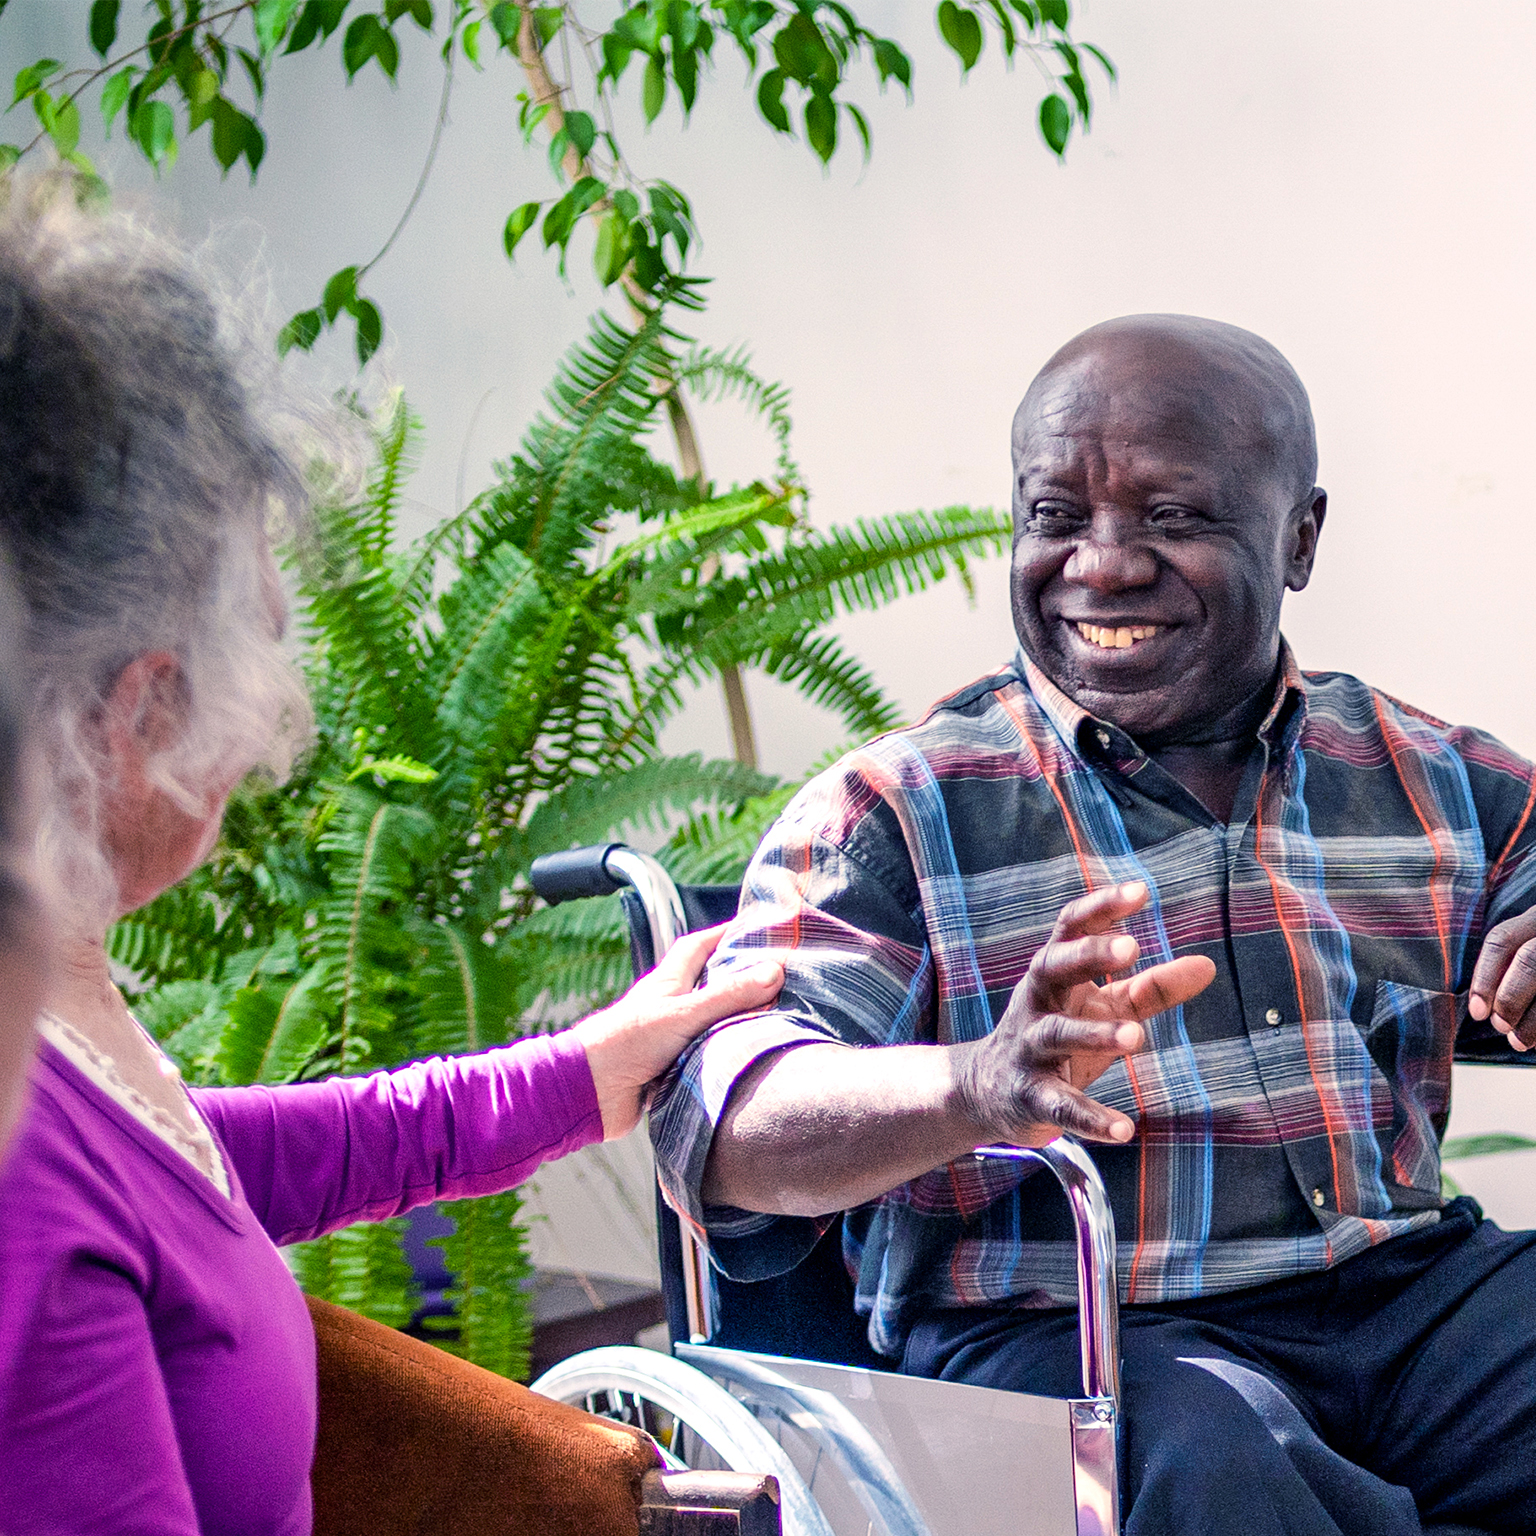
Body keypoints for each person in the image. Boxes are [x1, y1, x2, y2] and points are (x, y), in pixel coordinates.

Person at [653, 313, 1536, 1535]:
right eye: (1056, 517)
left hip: (1404, 1297)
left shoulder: (1424, 773)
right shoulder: (896, 811)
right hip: (1067, 1336)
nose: (1105, 565)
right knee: (1222, 1477)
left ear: (1300, 538)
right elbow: (722, 1124)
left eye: (1172, 518)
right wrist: (972, 1086)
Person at [0, 183, 782, 1535]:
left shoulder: (55, 1020)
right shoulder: (19, 1179)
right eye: (261, 637)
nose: (270, 739)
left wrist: (576, 1078)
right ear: (136, 713)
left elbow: (189, 1172)